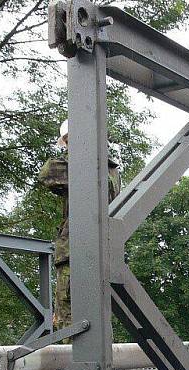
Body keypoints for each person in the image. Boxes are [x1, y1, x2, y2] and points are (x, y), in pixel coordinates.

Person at [39, 119, 122, 330]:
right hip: (102, 253)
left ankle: (73, 361)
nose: (67, 146)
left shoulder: (92, 171)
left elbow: (47, 172)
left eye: (70, 141)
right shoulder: (108, 171)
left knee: (70, 317)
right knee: (97, 319)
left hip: (76, 252)